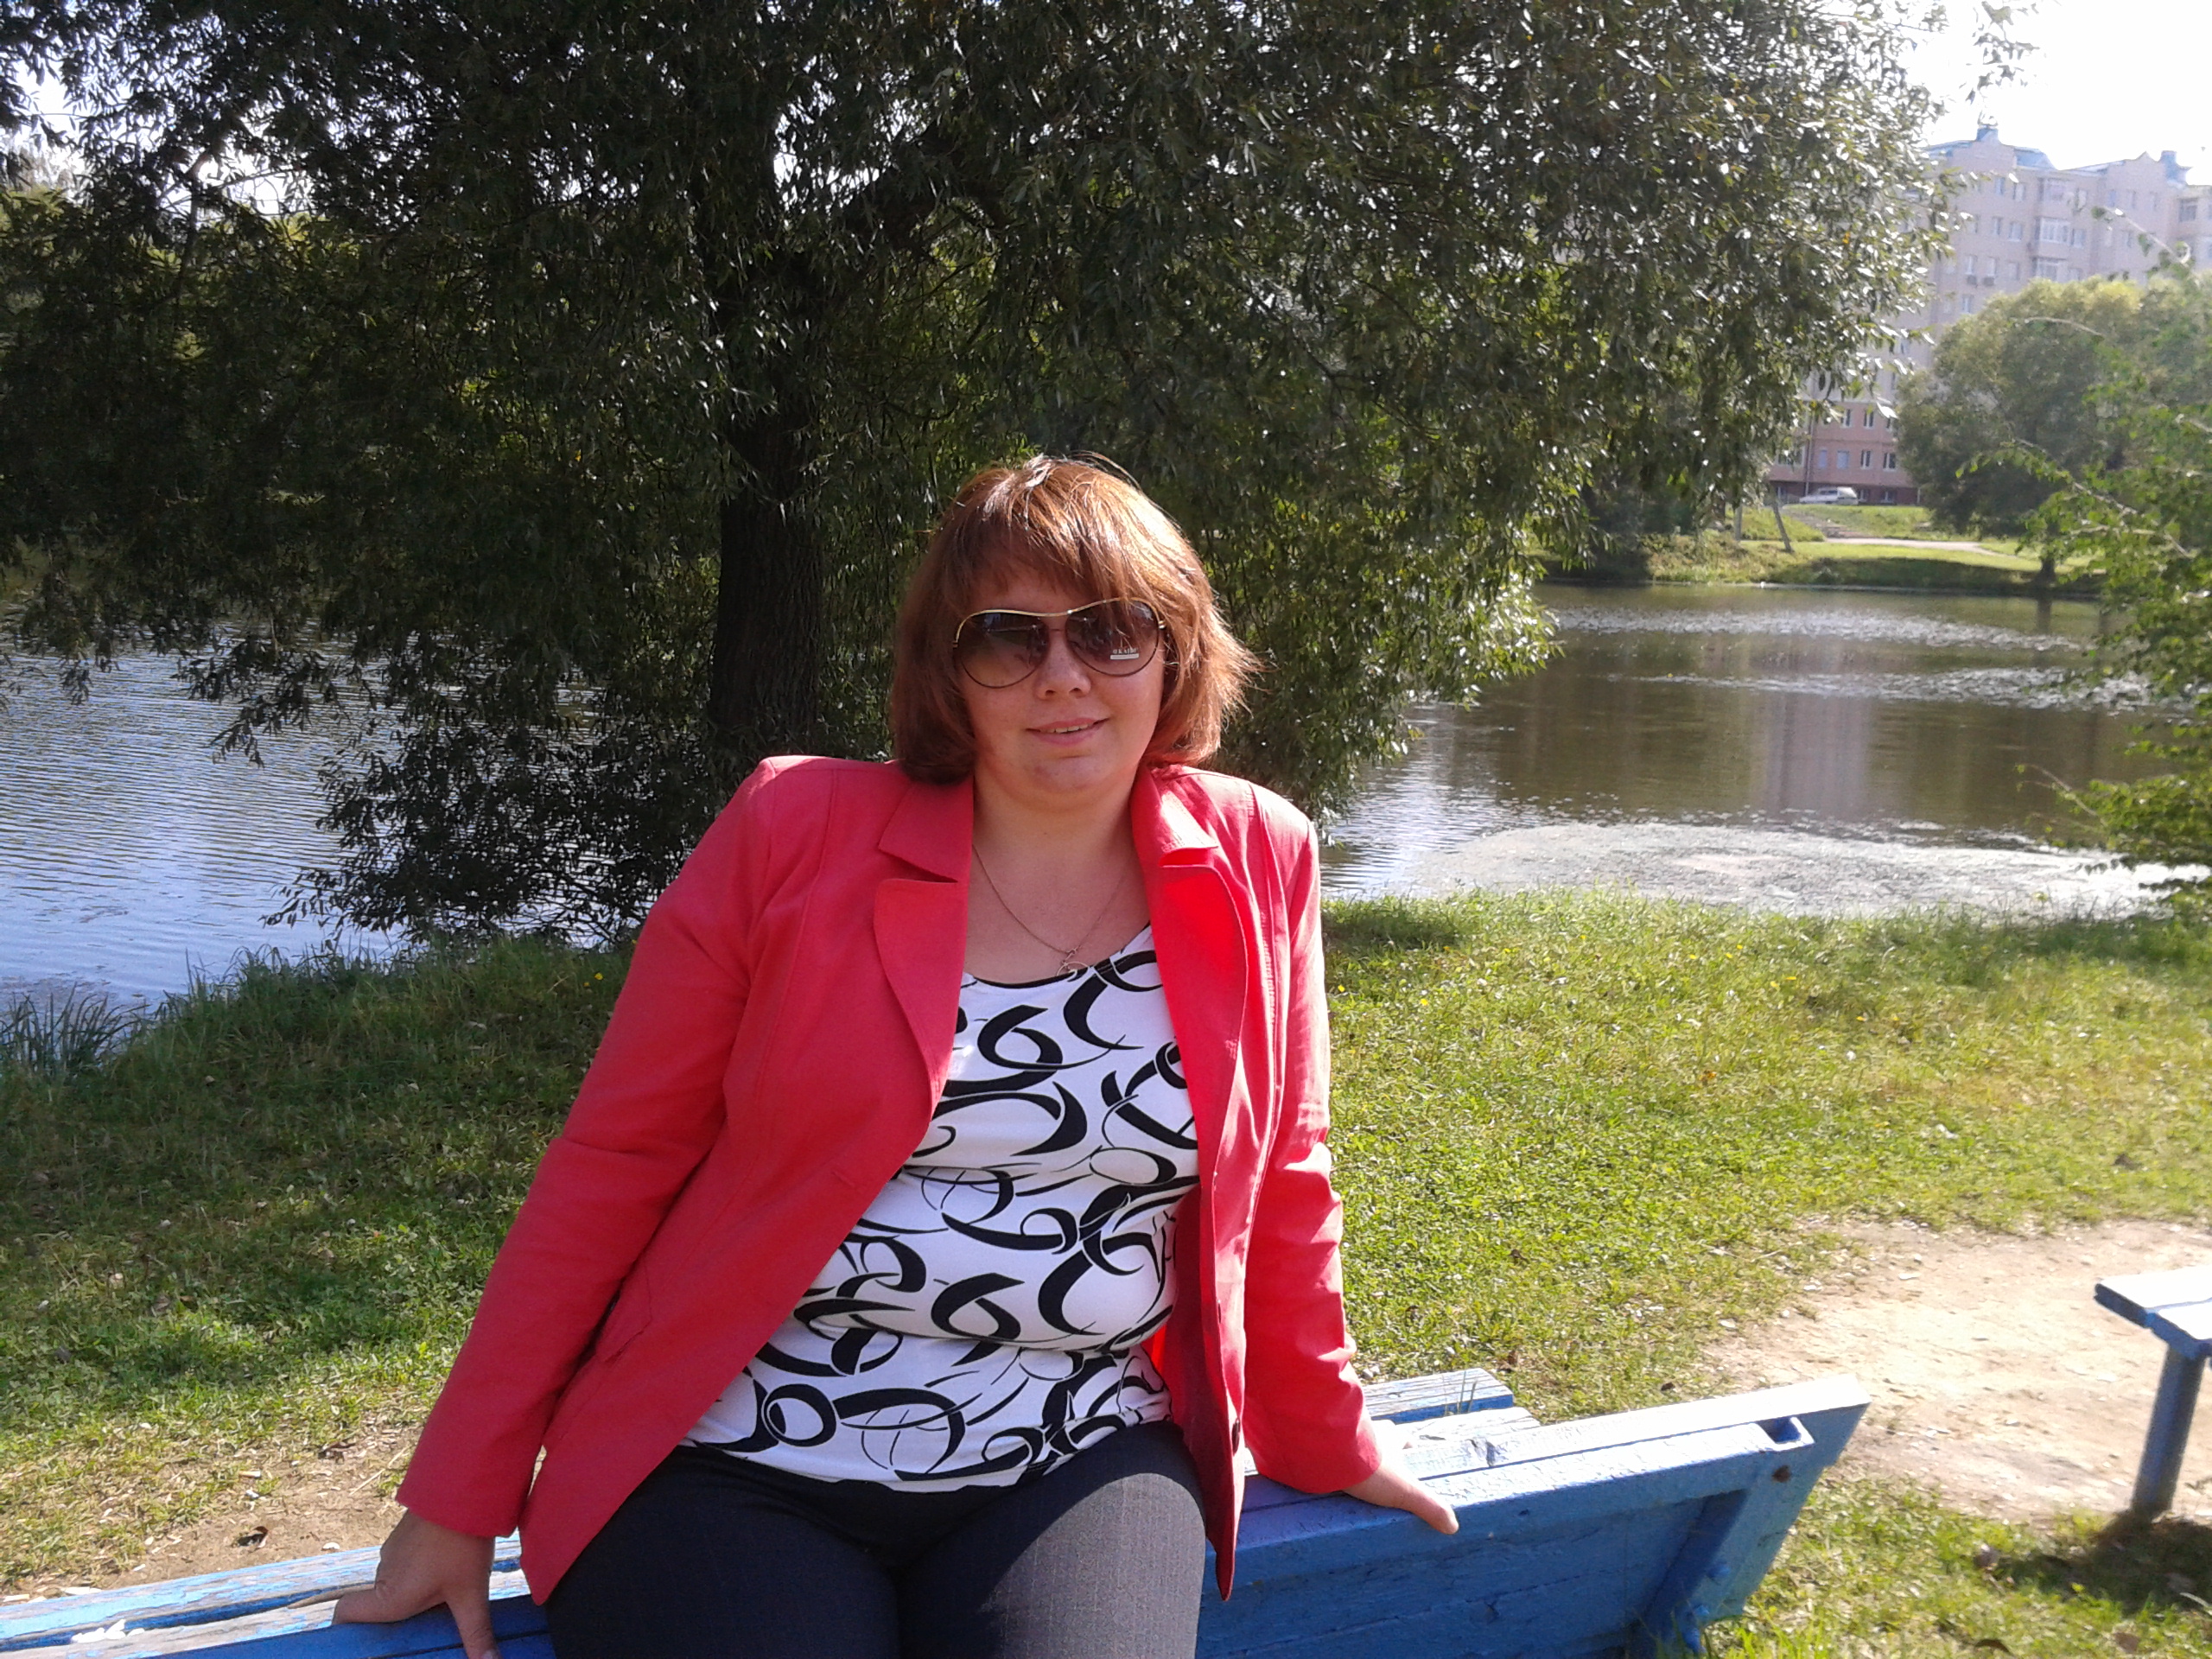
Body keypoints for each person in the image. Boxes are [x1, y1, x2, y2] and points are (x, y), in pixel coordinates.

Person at [333, 456, 1455, 1659]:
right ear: (946, 671)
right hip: (733, 1455)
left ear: (1173, 651)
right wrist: (457, 1498)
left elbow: (1285, 1173)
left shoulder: (1256, 854)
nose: (1062, 674)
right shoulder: (793, 829)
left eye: (1109, 629)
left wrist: (1324, 1433)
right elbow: (615, 1161)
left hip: (1075, 1447)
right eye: (1007, 638)